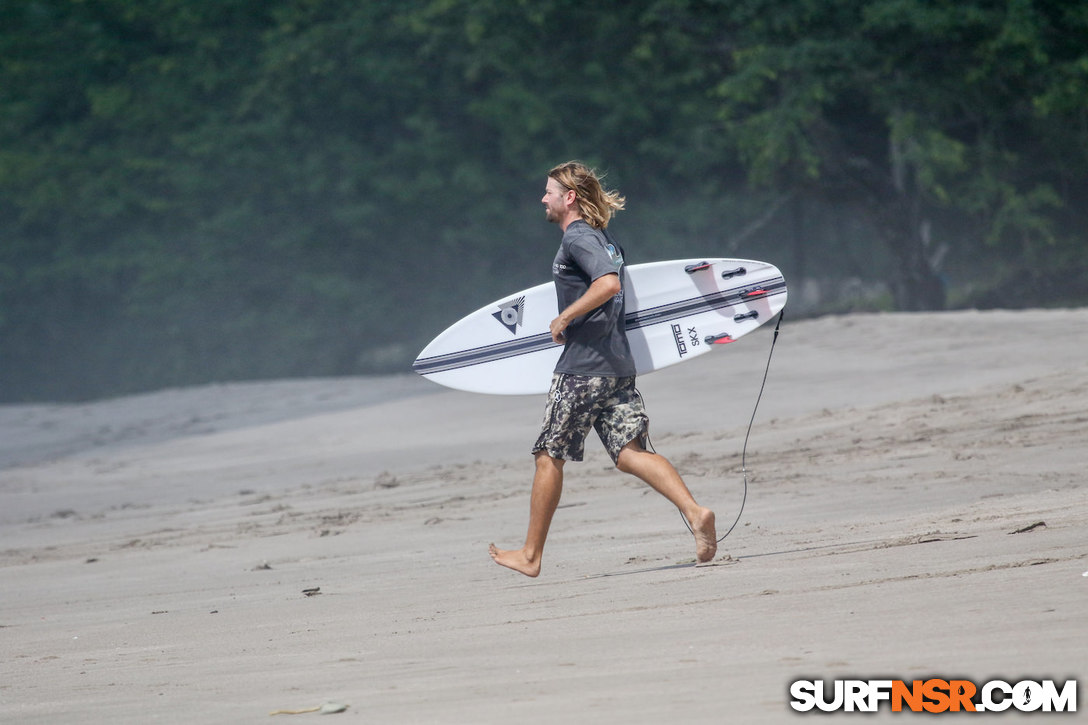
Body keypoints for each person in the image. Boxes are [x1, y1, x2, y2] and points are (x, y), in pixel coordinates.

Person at [489, 161, 717, 577]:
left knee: (548, 455)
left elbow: (608, 284)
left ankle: (530, 554)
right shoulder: (604, 238)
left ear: (569, 197)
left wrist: (563, 318)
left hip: (583, 367)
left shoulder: (578, 238)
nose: (543, 198)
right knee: (631, 453)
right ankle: (695, 512)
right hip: (616, 363)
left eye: (549, 192)